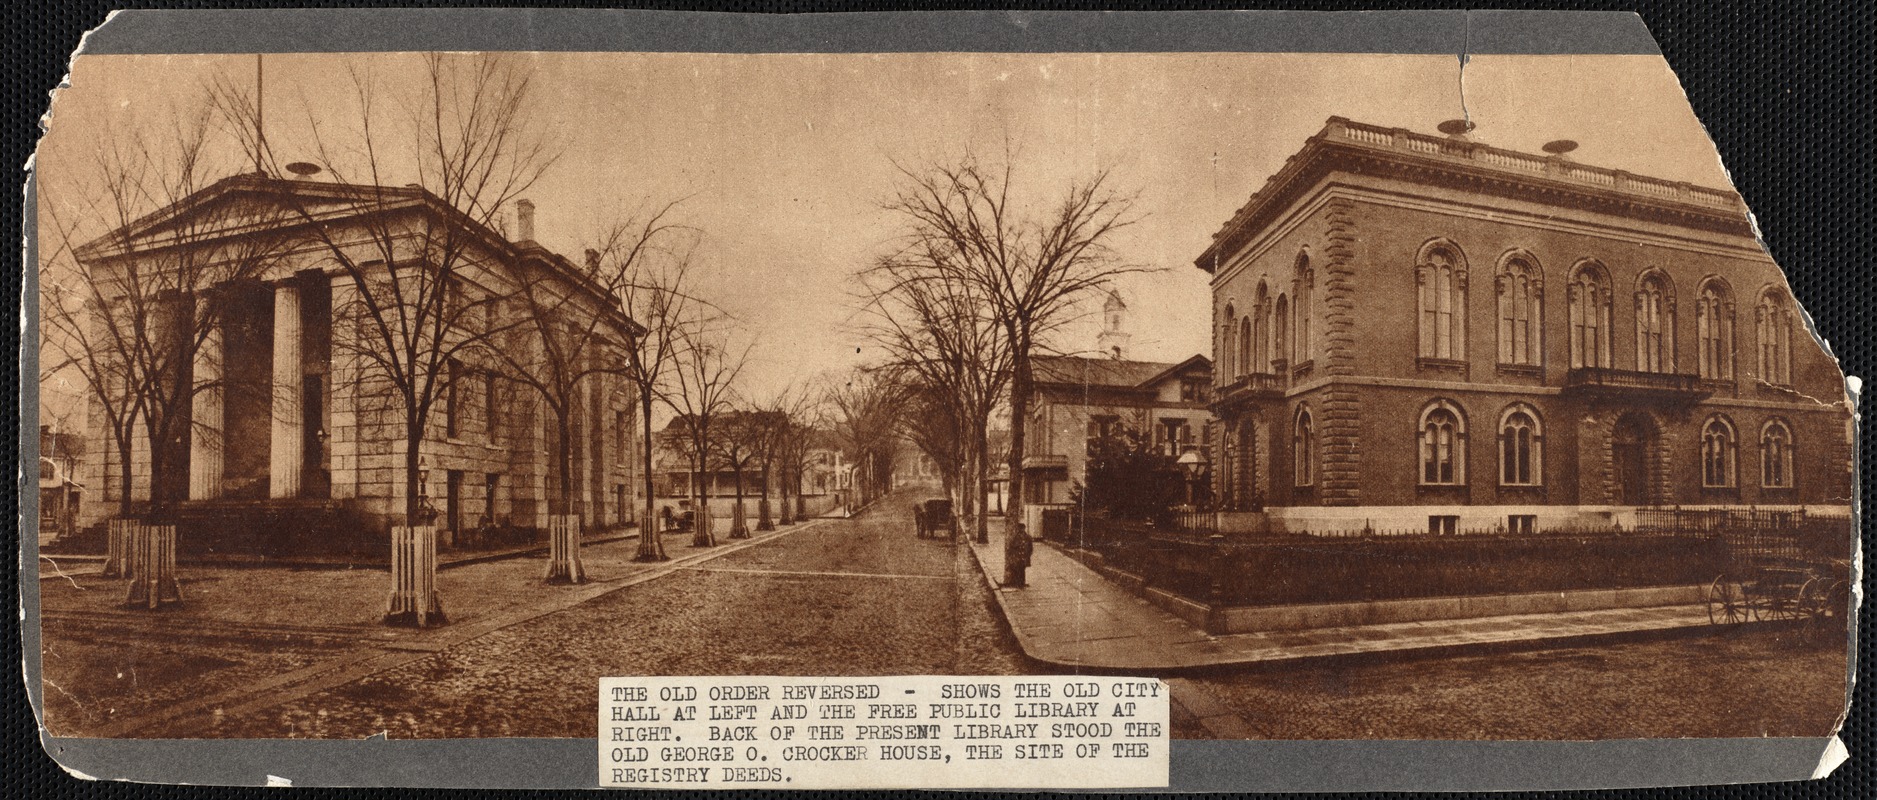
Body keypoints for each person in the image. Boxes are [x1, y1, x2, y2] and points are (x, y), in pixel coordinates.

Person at [1003, 522, 1032, 589]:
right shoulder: (1015, 537)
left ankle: (1022, 583)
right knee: (1017, 570)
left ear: (1024, 529)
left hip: (1024, 557)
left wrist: (1028, 555)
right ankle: (1017, 583)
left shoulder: (1028, 537)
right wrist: (1014, 556)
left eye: (1022, 528)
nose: (1021, 530)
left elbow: (1030, 548)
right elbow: (1011, 547)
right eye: (1020, 529)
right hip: (1017, 557)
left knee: (1022, 570)